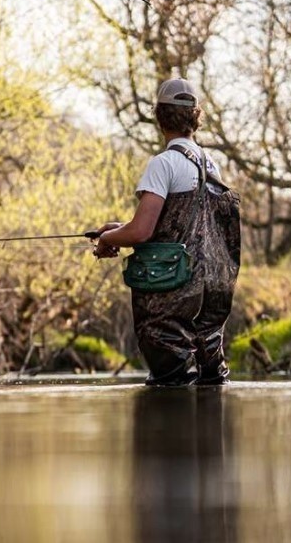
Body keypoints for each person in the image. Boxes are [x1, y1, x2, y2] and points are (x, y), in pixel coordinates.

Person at [94, 78, 240, 386]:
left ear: (159, 117)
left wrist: (107, 238)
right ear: (195, 118)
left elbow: (142, 232)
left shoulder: (163, 164)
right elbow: (185, 228)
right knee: (208, 385)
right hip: (212, 292)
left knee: (173, 383)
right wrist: (118, 228)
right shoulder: (212, 166)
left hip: (172, 297)